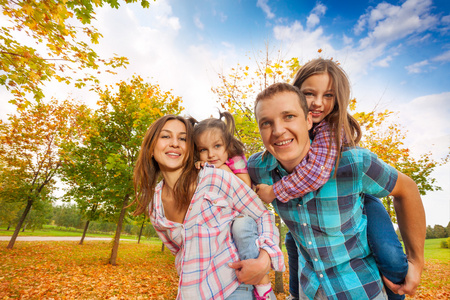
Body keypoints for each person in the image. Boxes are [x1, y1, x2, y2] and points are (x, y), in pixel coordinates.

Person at [248, 82, 425, 299]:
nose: (277, 130)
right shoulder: (258, 169)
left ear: (308, 119)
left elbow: (407, 189)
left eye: (289, 117)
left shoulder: (352, 163)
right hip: (309, 291)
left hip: (360, 289)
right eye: (266, 123)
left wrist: (416, 260)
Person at [132, 115, 285, 300]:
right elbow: (179, 251)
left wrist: (265, 259)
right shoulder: (154, 205)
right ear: (150, 148)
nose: (174, 143)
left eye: (182, 138)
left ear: (189, 149)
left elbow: (262, 215)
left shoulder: (215, 177)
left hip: (234, 288)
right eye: (165, 136)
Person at [191, 111, 275, 299]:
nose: (211, 154)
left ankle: (262, 284)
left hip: (242, 215)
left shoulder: (234, 160)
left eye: (217, 146)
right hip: (221, 218)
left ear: (228, 146)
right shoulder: (202, 166)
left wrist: (223, 170)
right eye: (203, 150)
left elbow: (244, 187)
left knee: (241, 228)